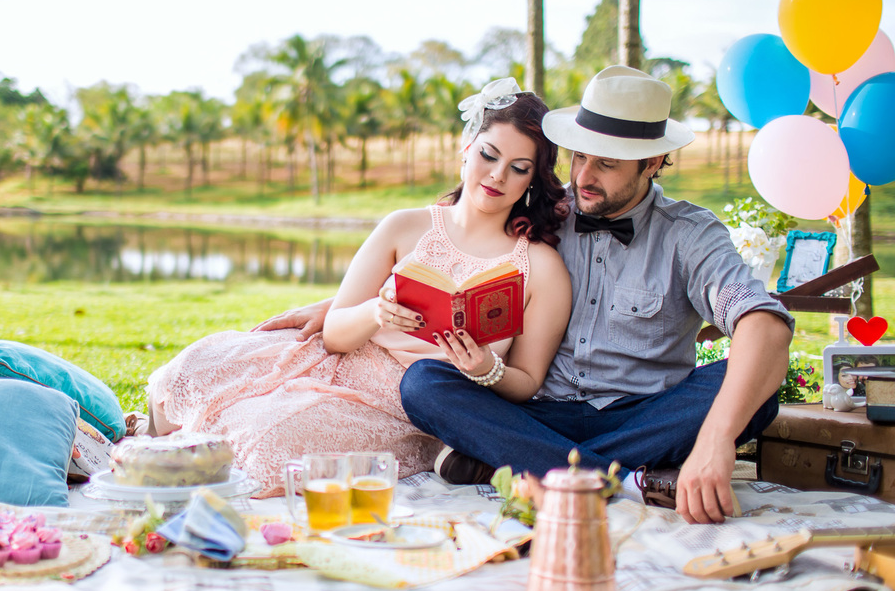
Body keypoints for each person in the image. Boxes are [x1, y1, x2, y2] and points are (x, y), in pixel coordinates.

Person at [266, 66, 795, 524]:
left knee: (753, 390)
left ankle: (523, 462)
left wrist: (717, 440)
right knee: (426, 382)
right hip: (537, 412)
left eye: (606, 165)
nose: (583, 179)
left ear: (653, 164)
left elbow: (764, 326)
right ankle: (618, 480)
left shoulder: (690, 234)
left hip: (644, 414)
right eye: (579, 158)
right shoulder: (544, 211)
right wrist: (355, 304)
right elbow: (458, 240)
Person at [146, 79, 572, 497]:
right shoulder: (404, 225)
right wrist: (377, 311)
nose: (497, 175)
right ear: (466, 149)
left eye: (518, 168)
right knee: (193, 367)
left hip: (408, 407)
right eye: (488, 155)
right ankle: (138, 458)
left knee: (267, 440)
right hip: (343, 361)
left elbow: (528, 381)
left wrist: (485, 369)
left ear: (532, 179)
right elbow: (334, 334)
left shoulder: (539, 266)